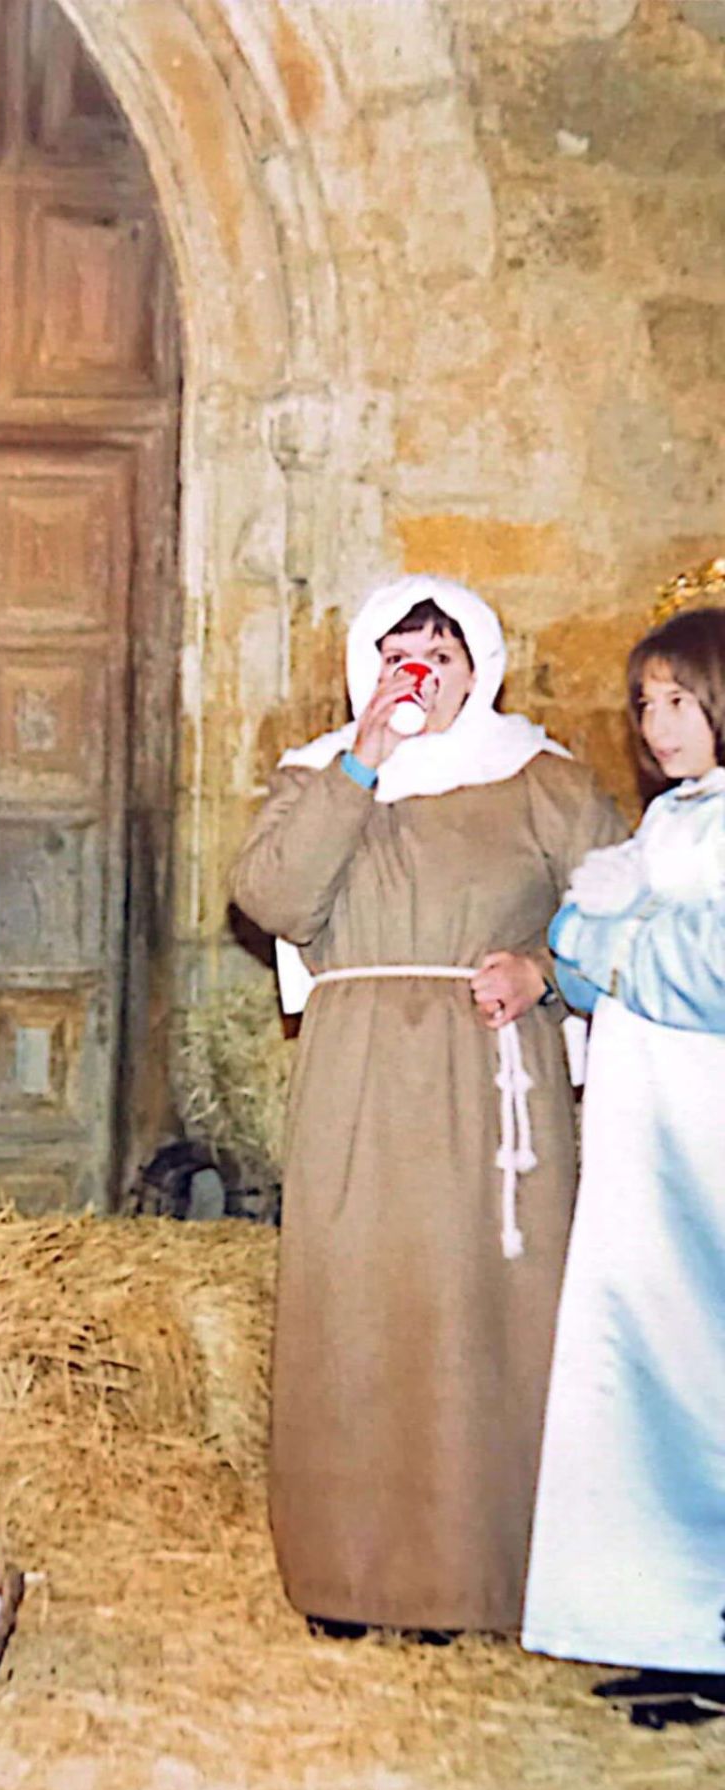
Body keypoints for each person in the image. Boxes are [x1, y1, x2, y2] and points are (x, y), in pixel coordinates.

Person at [230, 574, 624, 1638]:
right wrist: (365, 758)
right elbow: (273, 898)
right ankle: (351, 1577)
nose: (421, 668)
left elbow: (626, 914)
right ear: (368, 662)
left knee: (480, 1317)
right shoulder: (320, 774)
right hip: (358, 1077)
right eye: (401, 649)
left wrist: (544, 971)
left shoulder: (540, 778)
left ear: (479, 664)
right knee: (355, 1311)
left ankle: (480, 1576)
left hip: (488, 1080)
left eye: (441, 651)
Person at [522, 606, 725, 1724]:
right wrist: (592, 942)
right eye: (646, 703)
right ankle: (673, 1624)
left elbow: (707, 966)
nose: (658, 723)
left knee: (706, 1365)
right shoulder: (674, 821)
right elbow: (580, 965)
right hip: (648, 1131)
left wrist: (602, 936)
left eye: (681, 699)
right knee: (644, 1361)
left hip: (709, 1134)